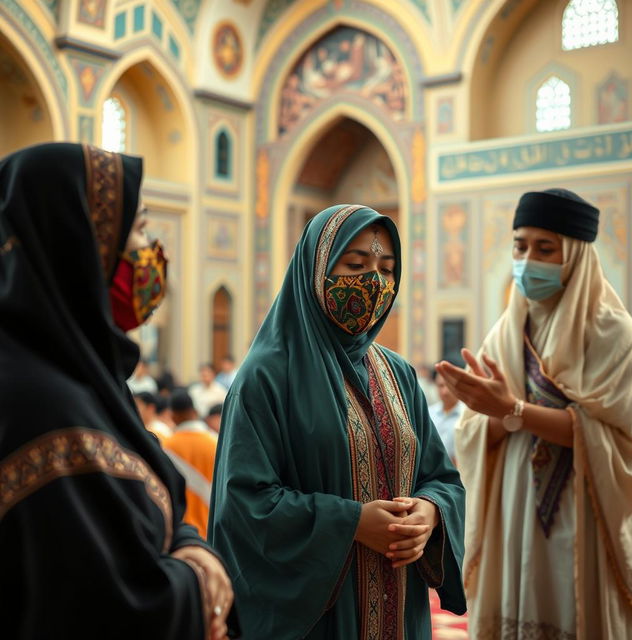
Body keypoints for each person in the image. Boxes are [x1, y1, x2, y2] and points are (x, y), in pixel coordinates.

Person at [0, 143, 235, 639]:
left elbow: (162, 506)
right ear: (78, 242)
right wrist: (198, 582)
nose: (153, 251)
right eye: (139, 227)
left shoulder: (86, 380)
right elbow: (108, 608)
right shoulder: (41, 406)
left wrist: (193, 548)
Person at [210, 204, 466, 639]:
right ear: (316, 270)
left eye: (386, 269)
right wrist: (349, 523)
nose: (374, 282)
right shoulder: (268, 376)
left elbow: (440, 477)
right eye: (355, 265)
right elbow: (243, 505)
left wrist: (430, 513)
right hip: (320, 618)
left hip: (401, 609)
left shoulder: (398, 373)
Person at [436, 188, 632, 639]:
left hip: (582, 507)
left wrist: (512, 409)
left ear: (575, 256)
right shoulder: (506, 330)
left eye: (545, 248)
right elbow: (477, 430)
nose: (528, 259)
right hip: (512, 499)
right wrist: (491, 411)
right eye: (520, 246)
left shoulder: (612, 333)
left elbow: (617, 438)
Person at [165, 389, 218, 539]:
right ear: (194, 411)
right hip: (212, 529)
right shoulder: (216, 442)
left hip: (182, 533)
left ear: (173, 416)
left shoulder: (166, 446)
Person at [429, 368, 464, 464]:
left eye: (449, 386)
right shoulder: (429, 414)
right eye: (440, 386)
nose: (445, 391)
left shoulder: (467, 416)